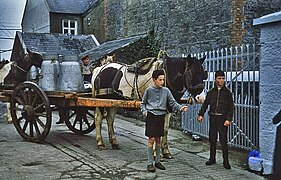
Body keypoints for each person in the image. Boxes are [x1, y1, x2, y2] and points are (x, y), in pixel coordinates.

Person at [141, 69, 188, 172]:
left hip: (161, 116)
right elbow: (143, 103)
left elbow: (173, 103)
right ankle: (150, 163)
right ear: (154, 80)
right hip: (151, 116)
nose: (162, 82)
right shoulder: (148, 90)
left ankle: (157, 161)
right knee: (151, 139)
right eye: (160, 80)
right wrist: (145, 112)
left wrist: (181, 108)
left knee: (158, 139)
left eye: (163, 80)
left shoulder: (166, 91)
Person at [197, 70, 234, 169]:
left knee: (223, 140)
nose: (221, 81)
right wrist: (201, 114)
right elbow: (205, 104)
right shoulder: (211, 92)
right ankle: (212, 158)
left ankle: (226, 161)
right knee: (212, 139)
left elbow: (231, 107)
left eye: (223, 78)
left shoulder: (227, 93)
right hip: (213, 118)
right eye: (219, 78)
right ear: (215, 79)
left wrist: (228, 119)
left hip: (222, 119)